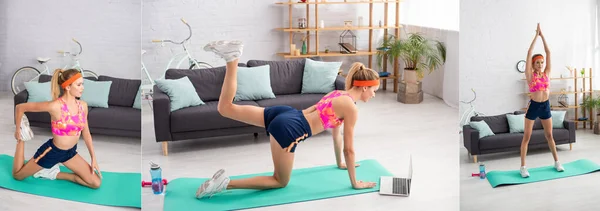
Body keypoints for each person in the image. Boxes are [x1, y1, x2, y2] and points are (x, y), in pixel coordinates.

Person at [196, 40, 380, 199]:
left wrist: (339, 163)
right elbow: (349, 149)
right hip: (291, 128)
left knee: (225, 108)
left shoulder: (337, 93)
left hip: (287, 113)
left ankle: (232, 59)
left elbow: (336, 135)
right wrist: (355, 182)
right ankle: (224, 184)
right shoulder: (351, 108)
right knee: (279, 181)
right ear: (364, 88)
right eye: (374, 90)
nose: (373, 95)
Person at [12, 69, 103, 188]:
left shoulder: (83, 106)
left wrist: (93, 158)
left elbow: (86, 133)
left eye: (82, 84)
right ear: (68, 87)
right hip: (52, 152)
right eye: (79, 84)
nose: (82, 88)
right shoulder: (55, 106)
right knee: (18, 176)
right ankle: (22, 140)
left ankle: (52, 173)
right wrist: (19, 130)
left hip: (70, 153)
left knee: (96, 183)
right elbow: (20, 107)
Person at [520, 23, 564, 178]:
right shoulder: (530, 75)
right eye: (537, 62)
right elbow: (529, 51)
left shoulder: (547, 73)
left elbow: (548, 52)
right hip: (533, 107)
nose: (540, 64)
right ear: (533, 64)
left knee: (549, 136)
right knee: (527, 137)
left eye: (541, 62)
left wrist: (542, 35)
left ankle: (557, 162)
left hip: (545, 106)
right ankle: (523, 167)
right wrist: (535, 36)